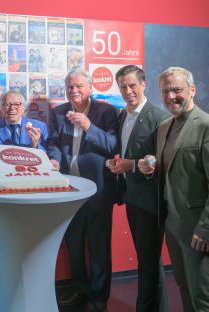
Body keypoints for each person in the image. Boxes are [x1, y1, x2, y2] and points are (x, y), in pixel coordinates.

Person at [138, 67, 209, 311]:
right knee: (184, 287)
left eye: (177, 90)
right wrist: (151, 166)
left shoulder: (206, 125)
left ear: (192, 90)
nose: (171, 97)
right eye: (166, 91)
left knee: (202, 296)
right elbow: (168, 169)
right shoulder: (165, 126)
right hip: (172, 224)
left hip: (197, 229)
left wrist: (206, 228)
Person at [47, 69, 118, 311]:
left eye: (78, 86)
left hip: (97, 191)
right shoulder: (58, 113)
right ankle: (80, 289)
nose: (73, 90)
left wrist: (89, 126)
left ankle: (98, 298)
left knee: (99, 248)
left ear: (89, 87)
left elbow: (113, 145)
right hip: (70, 190)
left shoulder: (106, 111)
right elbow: (53, 144)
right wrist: (54, 159)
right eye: (69, 86)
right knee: (74, 245)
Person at [106, 65, 168, 312]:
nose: (128, 91)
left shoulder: (160, 118)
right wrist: (118, 163)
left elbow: (159, 160)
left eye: (132, 85)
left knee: (147, 260)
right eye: (123, 86)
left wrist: (134, 166)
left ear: (144, 84)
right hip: (131, 196)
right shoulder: (122, 115)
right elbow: (129, 153)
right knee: (150, 259)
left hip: (150, 199)